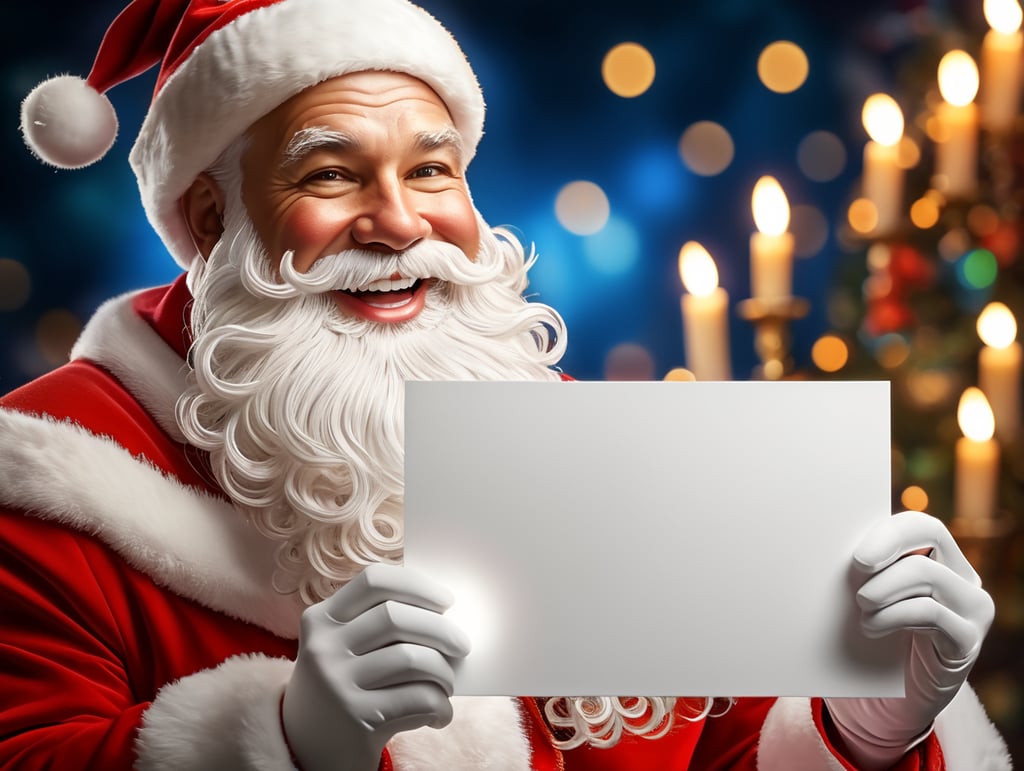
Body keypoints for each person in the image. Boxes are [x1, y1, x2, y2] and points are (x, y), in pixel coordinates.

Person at [1, 0, 1011, 768]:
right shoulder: (53, 473)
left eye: (432, 171)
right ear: (215, 221)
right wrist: (283, 737)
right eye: (330, 175)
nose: (399, 223)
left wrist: (860, 728)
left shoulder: (569, 437)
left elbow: (718, 745)